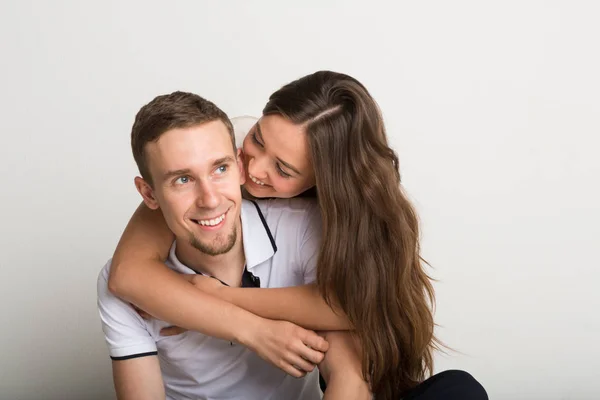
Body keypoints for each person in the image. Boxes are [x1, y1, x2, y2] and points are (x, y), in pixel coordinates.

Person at [108, 71, 488, 399]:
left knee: (459, 391)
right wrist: (248, 328)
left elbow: (352, 309)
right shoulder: (220, 152)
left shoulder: (319, 225)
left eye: (284, 170)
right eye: (258, 139)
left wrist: (226, 298)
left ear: (323, 183)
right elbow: (127, 274)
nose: (251, 168)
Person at [97, 91, 369, 399]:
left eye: (220, 168)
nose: (210, 199)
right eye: (182, 180)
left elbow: (352, 352)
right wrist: (257, 331)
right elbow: (124, 275)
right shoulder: (129, 287)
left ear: (236, 166)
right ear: (148, 194)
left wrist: (220, 297)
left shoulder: (305, 229)